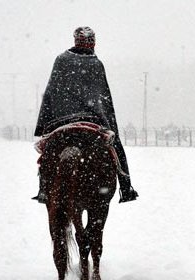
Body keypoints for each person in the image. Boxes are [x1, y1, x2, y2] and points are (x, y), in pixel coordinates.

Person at [33, 26, 138, 203]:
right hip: (92, 120)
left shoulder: (61, 60)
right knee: (116, 147)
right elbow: (104, 99)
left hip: (62, 121)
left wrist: (45, 124)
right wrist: (109, 123)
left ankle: (43, 189)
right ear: (92, 43)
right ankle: (126, 188)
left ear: (75, 41)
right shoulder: (96, 63)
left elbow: (51, 92)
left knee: (49, 153)